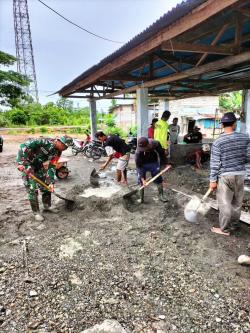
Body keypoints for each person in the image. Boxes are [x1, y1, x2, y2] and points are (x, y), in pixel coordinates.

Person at [209, 112, 250, 236]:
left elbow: (215, 163)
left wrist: (212, 180)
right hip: (241, 174)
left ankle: (225, 229)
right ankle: (235, 225)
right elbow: (248, 157)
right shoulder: (245, 138)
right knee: (237, 202)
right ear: (234, 124)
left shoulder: (218, 141)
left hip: (225, 176)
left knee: (225, 203)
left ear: (222, 125)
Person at [16, 136, 73, 222]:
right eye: (65, 146)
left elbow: (52, 166)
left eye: (67, 147)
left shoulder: (58, 152)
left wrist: (50, 181)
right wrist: (20, 162)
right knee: (32, 188)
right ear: (59, 141)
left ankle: (47, 206)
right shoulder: (43, 141)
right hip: (27, 164)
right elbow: (22, 146)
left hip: (38, 166)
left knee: (46, 186)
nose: (65, 148)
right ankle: (36, 212)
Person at [135, 137, 168, 203]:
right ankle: (141, 198)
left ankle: (161, 195)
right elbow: (138, 166)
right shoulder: (138, 152)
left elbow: (162, 154)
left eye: (145, 148)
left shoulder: (155, 143)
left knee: (158, 178)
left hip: (153, 162)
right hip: (142, 164)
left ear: (148, 145)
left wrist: (165, 164)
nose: (143, 150)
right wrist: (143, 179)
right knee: (141, 181)